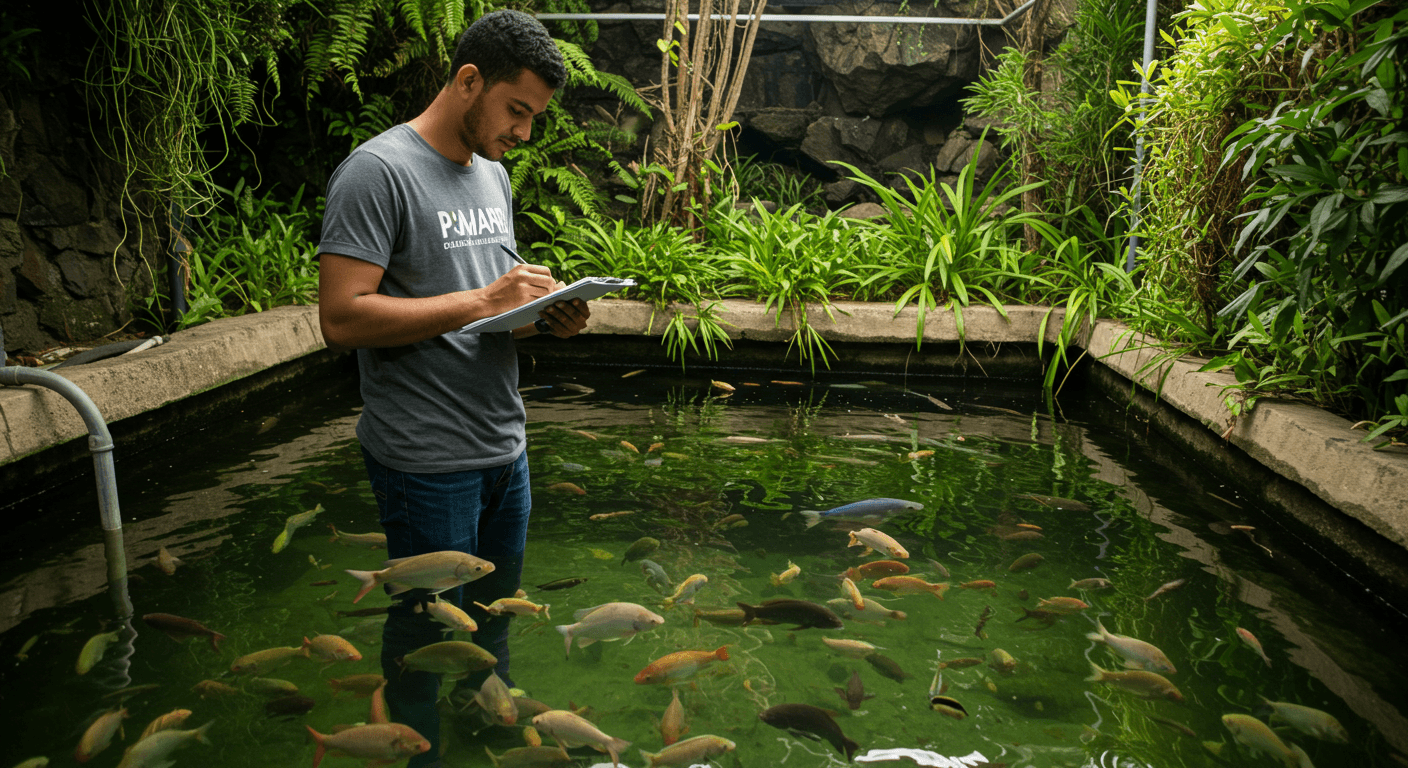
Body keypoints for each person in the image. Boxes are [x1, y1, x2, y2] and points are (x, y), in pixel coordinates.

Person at [314, 10, 588, 767]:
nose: (525, 134)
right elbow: (340, 318)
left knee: (489, 620)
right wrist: (483, 303)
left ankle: (479, 735)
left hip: (505, 445)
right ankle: (419, 753)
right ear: (469, 80)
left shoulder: (492, 174)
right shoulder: (378, 171)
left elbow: (484, 311)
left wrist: (545, 320)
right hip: (426, 459)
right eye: (517, 110)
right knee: (426, 631)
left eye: (535, 118)